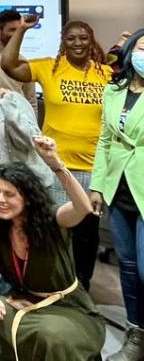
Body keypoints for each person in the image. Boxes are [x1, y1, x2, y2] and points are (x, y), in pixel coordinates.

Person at [1, 16, 111, 290]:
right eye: (71, 38)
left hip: (92, 169)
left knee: (86, 235)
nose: (77, 43)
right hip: (53, 167)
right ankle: (50, 285)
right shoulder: (50, 67)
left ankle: (80, 288)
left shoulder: (106, 74)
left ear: (91, 41)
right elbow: (9, 64)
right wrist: (22, 31)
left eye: (83, 38)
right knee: (51, 230)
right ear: (64, 41)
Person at [0, 136, 105, 361]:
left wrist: (56, 165)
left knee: (50, 336)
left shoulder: (52, 221)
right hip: (26, 300)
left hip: (66, 305)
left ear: (27, 197)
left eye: (9, 194)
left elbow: (83, 207)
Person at [90, 29, 144, 361]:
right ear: (129, 51)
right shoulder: (114, 89)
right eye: (142, 47)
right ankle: (136, 333)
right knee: (127, 266)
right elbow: (105, 141)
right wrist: (97, 186)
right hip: (118, 188)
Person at [0, 61, 55, 254]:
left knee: (21, 239)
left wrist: (7, 107)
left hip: (19, 184)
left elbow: (29, 137)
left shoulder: (11, 99)